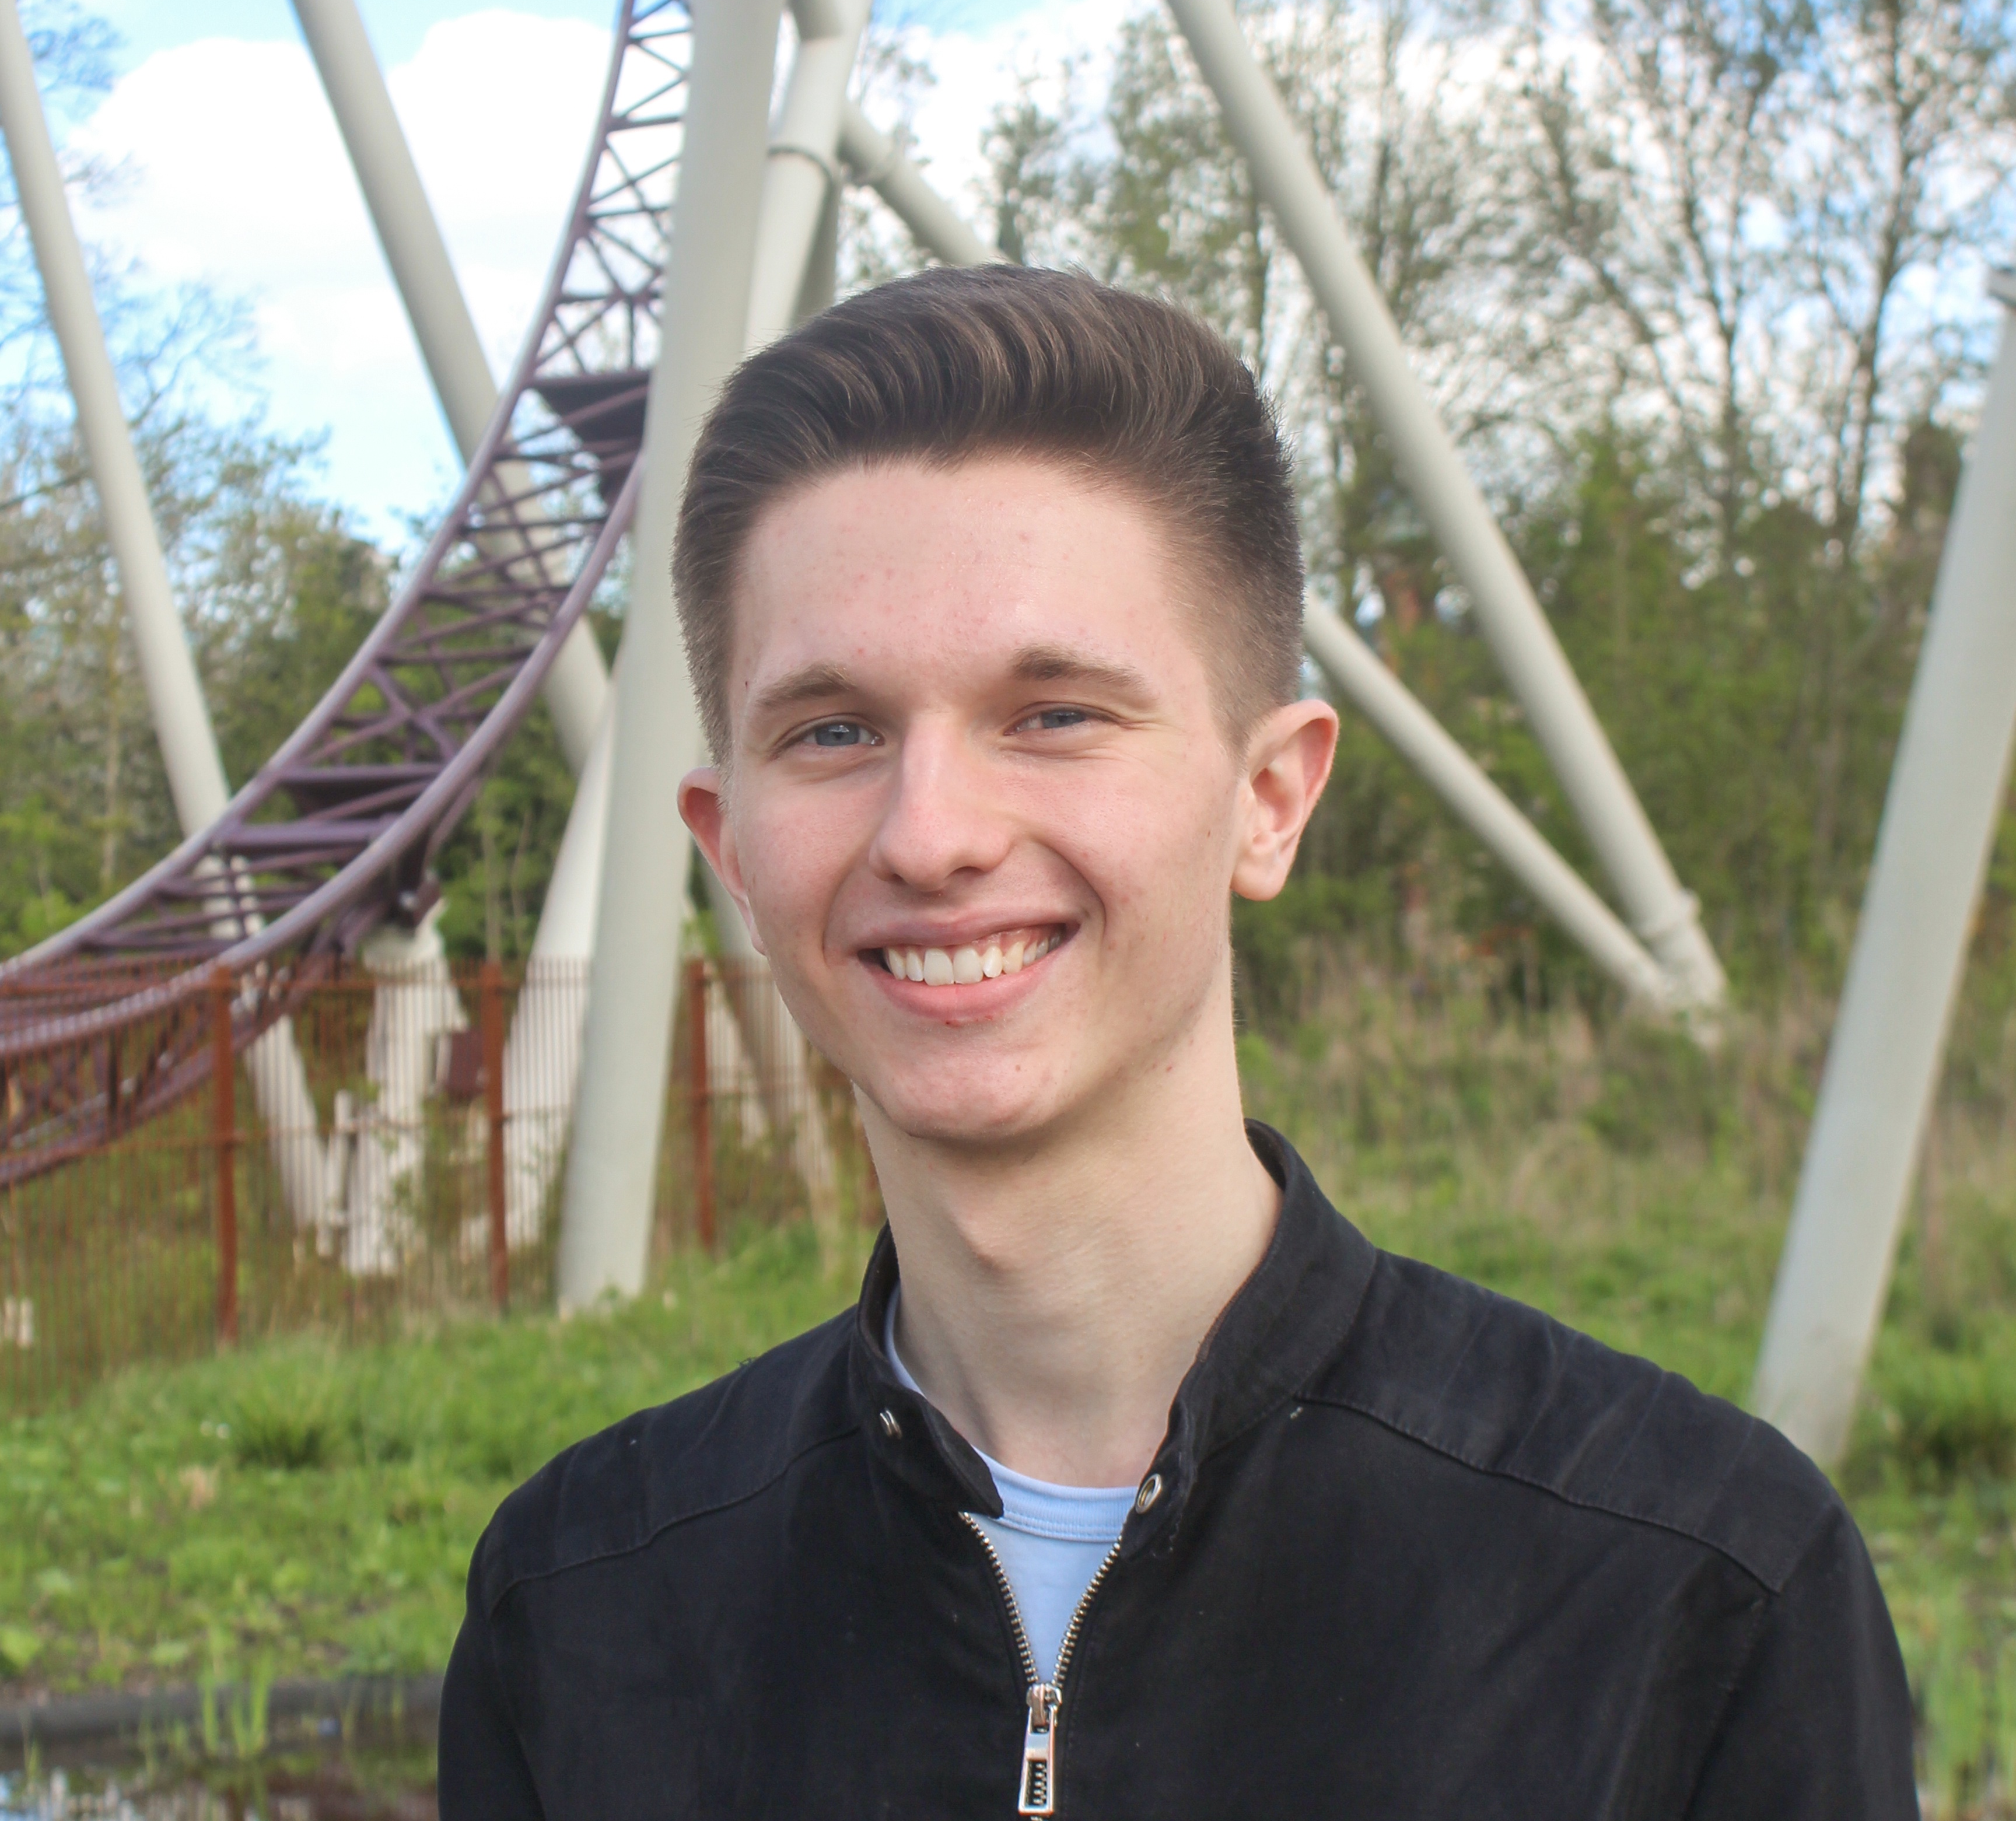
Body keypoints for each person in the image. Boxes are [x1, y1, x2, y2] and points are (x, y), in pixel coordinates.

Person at [438, 266, 1917, 1819]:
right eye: (833, 732)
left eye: (1055, 712)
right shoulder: (580, 1605)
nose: (931, 835)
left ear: (1270, 801)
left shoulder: (1691, 1590)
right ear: (729, 846)